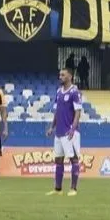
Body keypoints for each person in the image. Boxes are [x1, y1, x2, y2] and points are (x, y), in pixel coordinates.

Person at [46, 67, 82, 197]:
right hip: (59, 132)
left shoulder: (74, 92)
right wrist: (52, 127)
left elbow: (78, 112)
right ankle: (58, 189)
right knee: (58, 160)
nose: (60, 77)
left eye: (63, 75)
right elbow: (56, 112)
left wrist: (73, 129)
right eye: (60, 75)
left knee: (74, 159)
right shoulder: (58, 92)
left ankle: (73, 189)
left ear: (70, 77)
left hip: (69, 132)